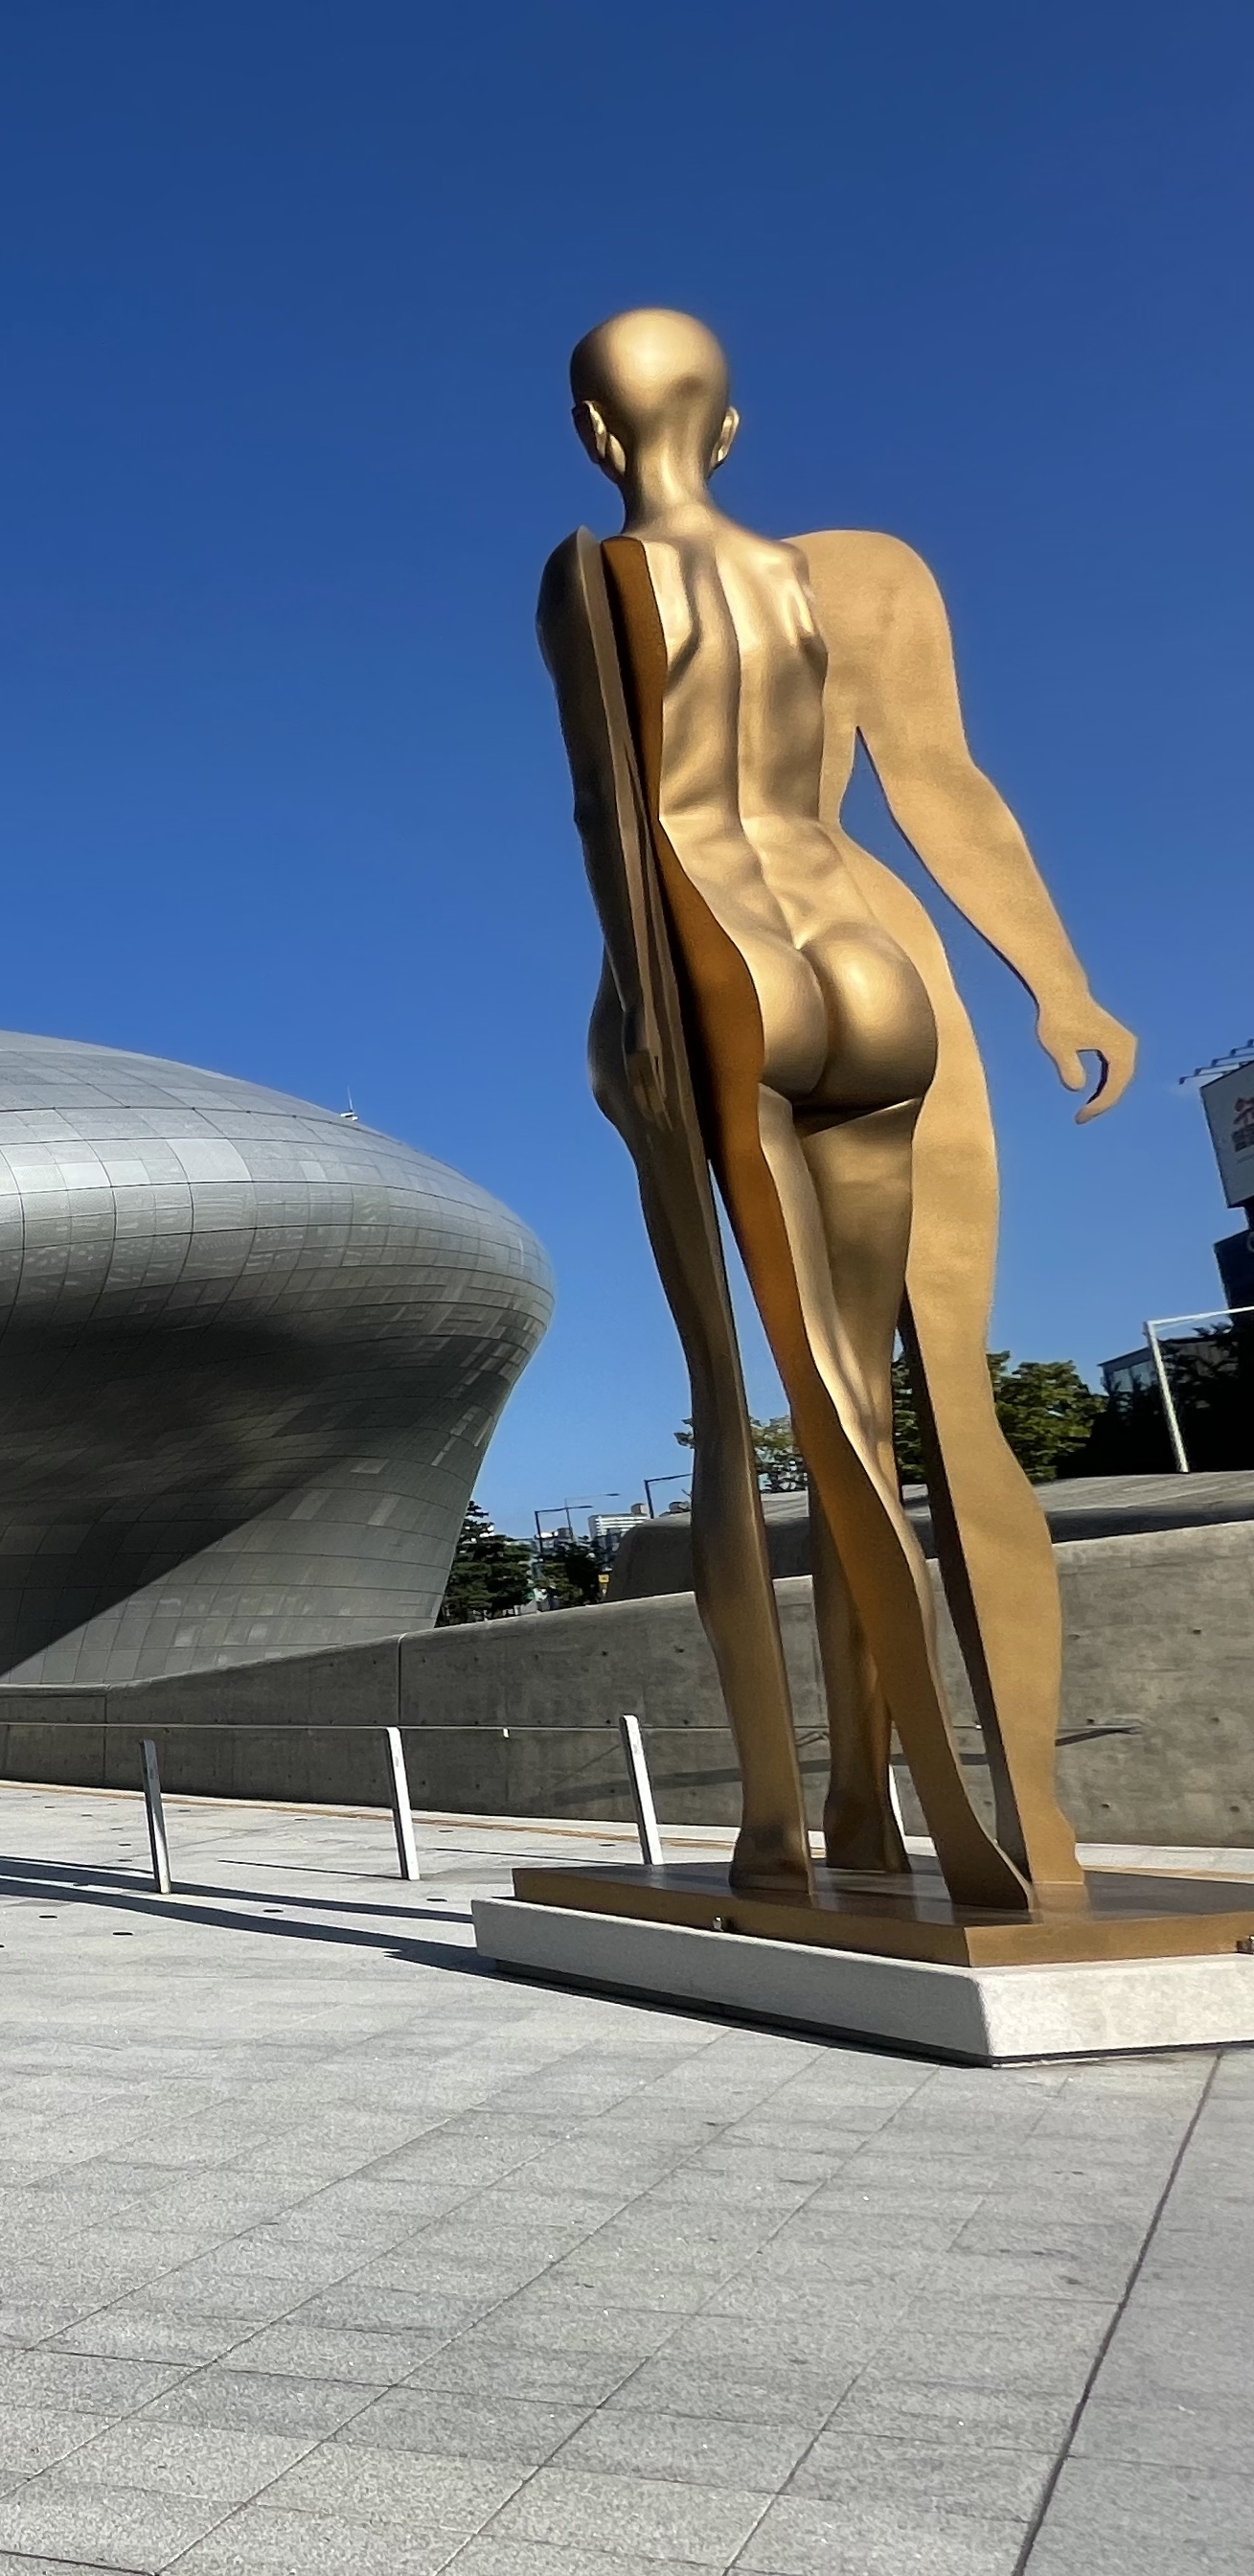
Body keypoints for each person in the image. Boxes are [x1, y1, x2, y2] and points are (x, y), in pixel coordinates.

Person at [550, 310, 1134, 1900]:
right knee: (929, 1399)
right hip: (879, 959)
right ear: (731, 430)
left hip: (711, 957)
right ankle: (1010, 1817)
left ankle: (799, 1819)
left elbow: (617, 807)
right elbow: (939, 777)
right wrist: (1055, 979)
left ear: (597, 438)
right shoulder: (860, 571)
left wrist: (657, 1027)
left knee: (758, 1404)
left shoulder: (593, 573)